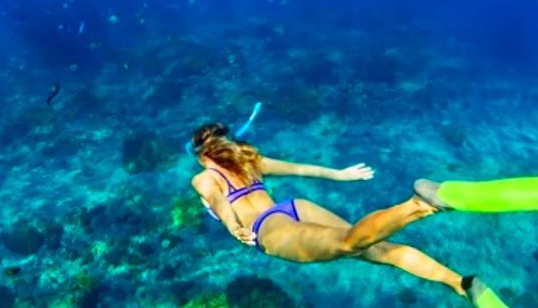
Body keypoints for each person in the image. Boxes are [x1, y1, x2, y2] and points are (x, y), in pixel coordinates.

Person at [189, 122, 474, 299]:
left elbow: (218, 201)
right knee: (377, 249)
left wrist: (232, 227)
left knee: (349, 243)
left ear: (202, 156)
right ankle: (458, 282)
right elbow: (301, 169)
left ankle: (419, 205)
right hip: (295, 208)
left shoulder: (203, 177)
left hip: (269, 228)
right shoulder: (250, 161)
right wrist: (340, 175)